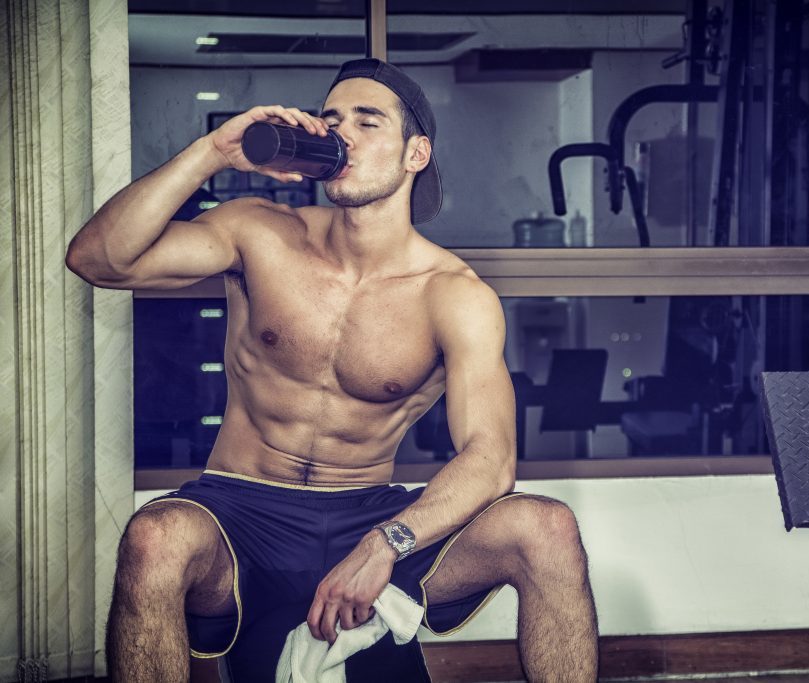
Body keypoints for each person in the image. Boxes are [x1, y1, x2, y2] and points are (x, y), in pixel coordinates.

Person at [66, 58, 599, 682]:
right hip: (241, 511)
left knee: (547, 527)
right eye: (330, 120)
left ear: (415, 153)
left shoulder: (453, 294)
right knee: (154, 538)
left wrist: (386, 542)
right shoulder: (259, 231)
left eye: (368, 122)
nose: (341, 135)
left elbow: (491, 460)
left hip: (367, 511)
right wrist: (213, 152)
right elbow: (99, 259)